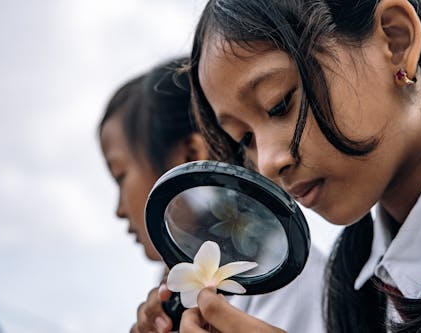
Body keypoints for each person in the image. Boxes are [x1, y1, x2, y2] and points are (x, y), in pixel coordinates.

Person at [176, 0, 421, 332]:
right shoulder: (359, 292)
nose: (266, 163)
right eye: (245, 139)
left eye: (279, 104)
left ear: (396, 41)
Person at [99, 57, 328, 333]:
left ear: (191, 156)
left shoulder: (292, 287)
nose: (118, 210)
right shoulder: (175, 293)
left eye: (120, 175)